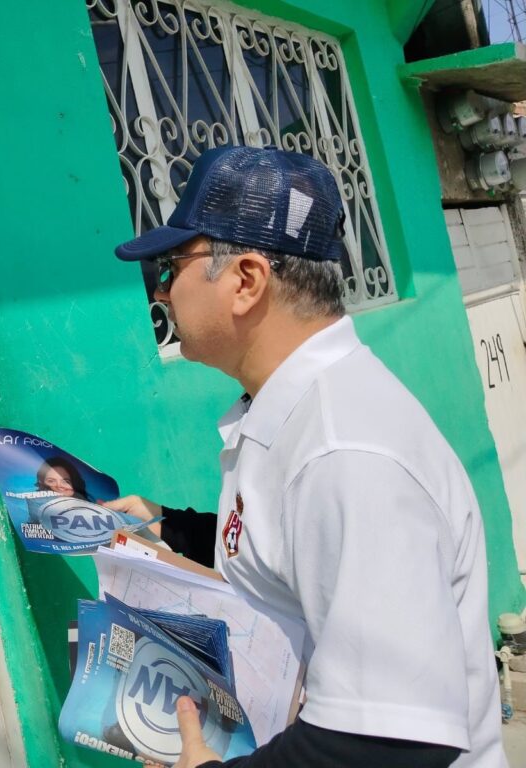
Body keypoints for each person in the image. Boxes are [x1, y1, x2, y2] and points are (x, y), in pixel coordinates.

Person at [106, 146, 505, 767]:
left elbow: (392, 741)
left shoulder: (345, 451)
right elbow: (295, 555)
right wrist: (173, 530)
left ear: (246, 281)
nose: (160, 290)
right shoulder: (294, 413)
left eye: (171, 265)